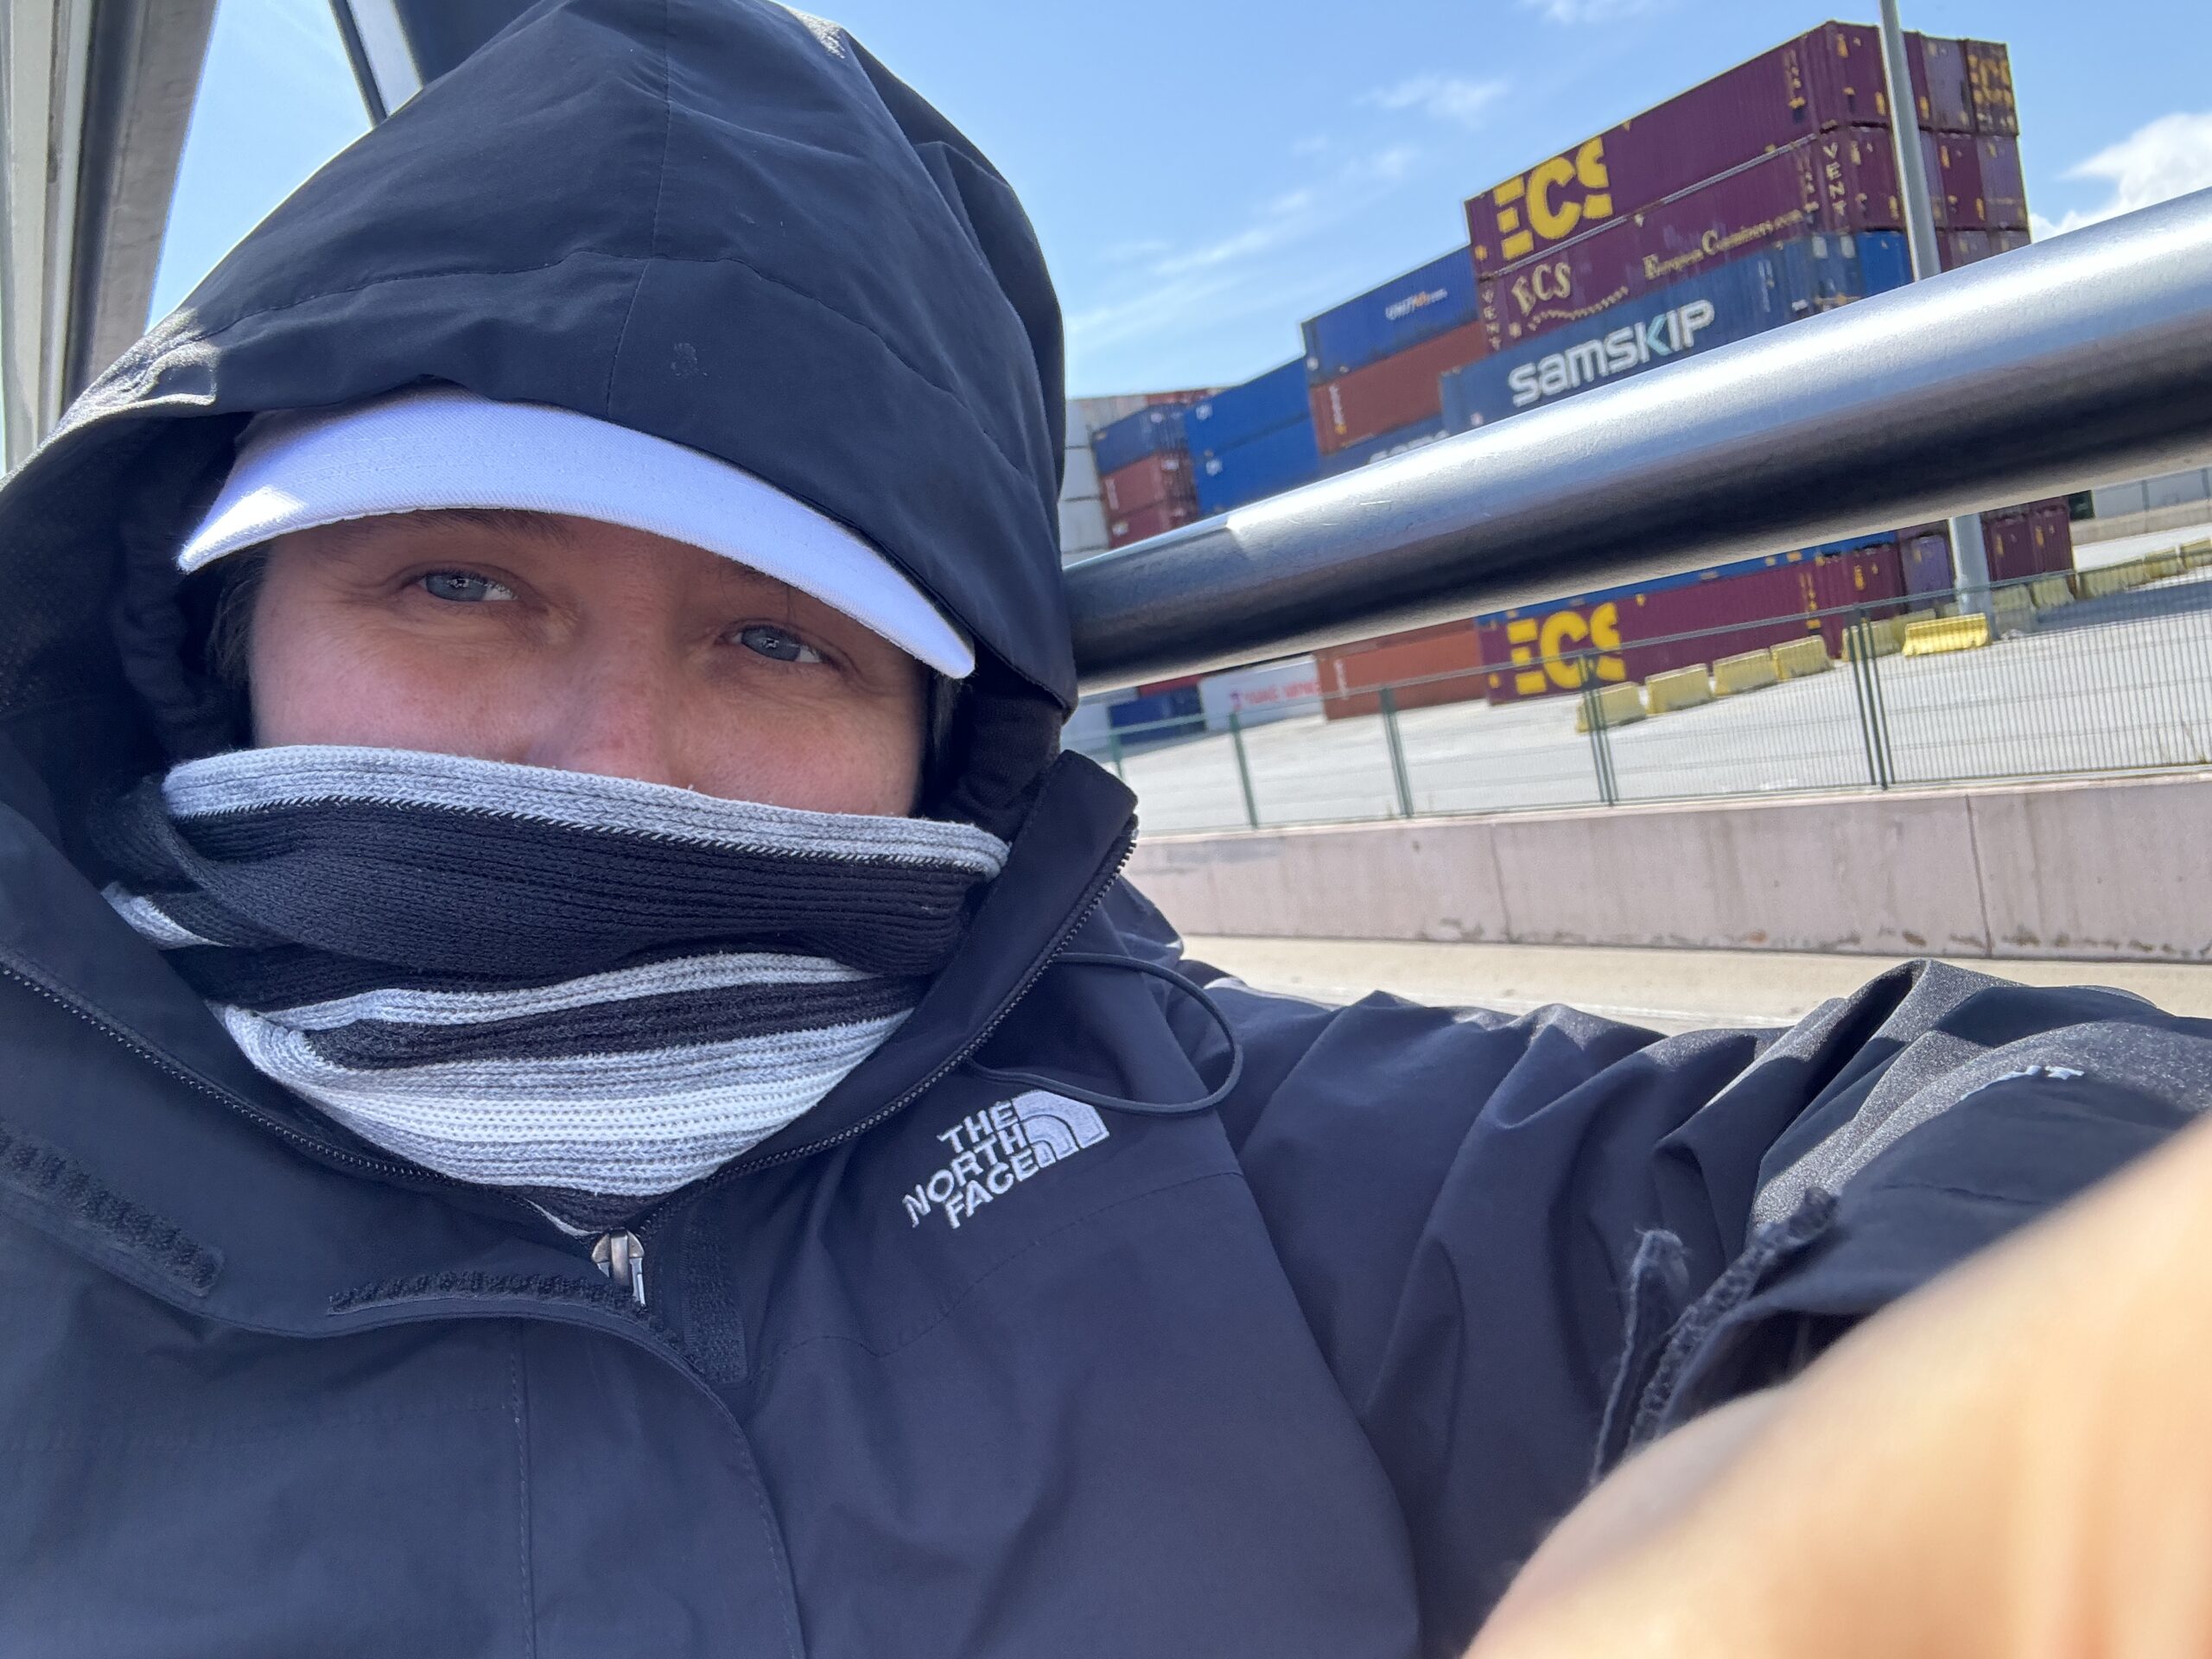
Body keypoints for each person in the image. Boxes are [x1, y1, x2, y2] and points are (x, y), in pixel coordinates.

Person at [0, 2, 2206, 1655]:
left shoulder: (1222, 1152)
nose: (616, 758)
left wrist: (1854, 1489)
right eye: (459, 585)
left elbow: (2018, 1120)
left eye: (776, 642)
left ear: (945, 740)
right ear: (204, 627)